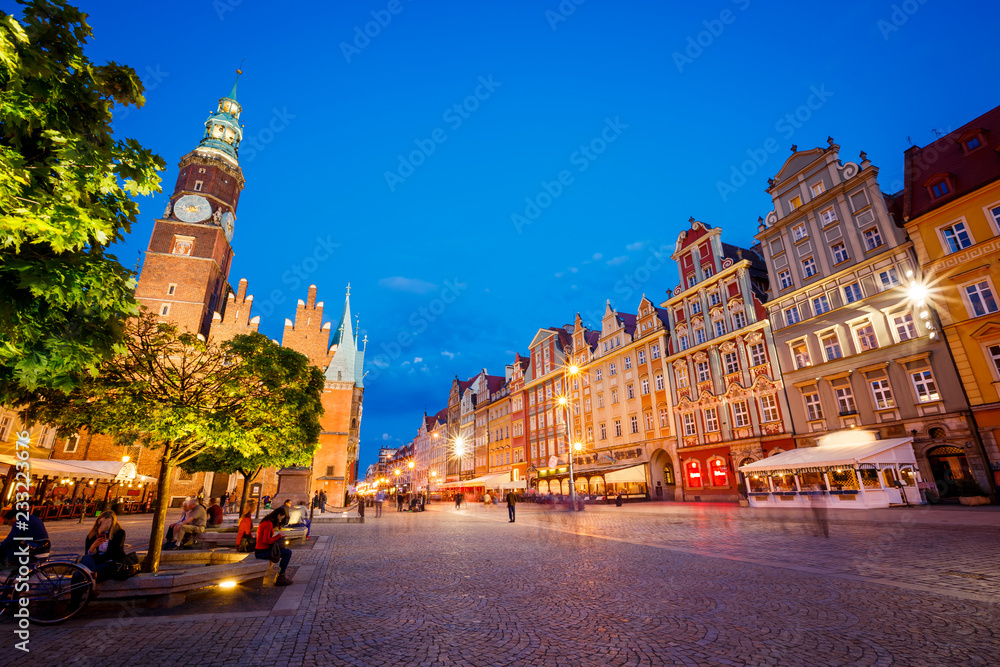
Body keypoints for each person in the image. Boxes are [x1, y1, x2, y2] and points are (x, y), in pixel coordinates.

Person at [81, 511, 127, 583]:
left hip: (109, 563)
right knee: (83, 562)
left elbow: (114, 554)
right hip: (94, 564)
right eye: (101, 523)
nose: (103, 526)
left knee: (82, 576)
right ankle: (91, 581)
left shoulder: (119, 533)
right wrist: (93, 548)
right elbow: (87, 554)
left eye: (106, 523)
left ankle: (91, 581)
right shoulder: (92, 535)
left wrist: (96, 558)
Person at [255, 507, 293, 586]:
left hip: (262, 550)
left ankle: (281, 575)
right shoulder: (268, 523)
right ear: (279, 515)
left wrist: (278, 537)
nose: (281, 520)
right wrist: (278, 536)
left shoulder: (267, 522)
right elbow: (266, 540)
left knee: (285, 551)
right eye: (282, 518)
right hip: (262, 552)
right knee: (287, 553)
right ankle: (280, 577)